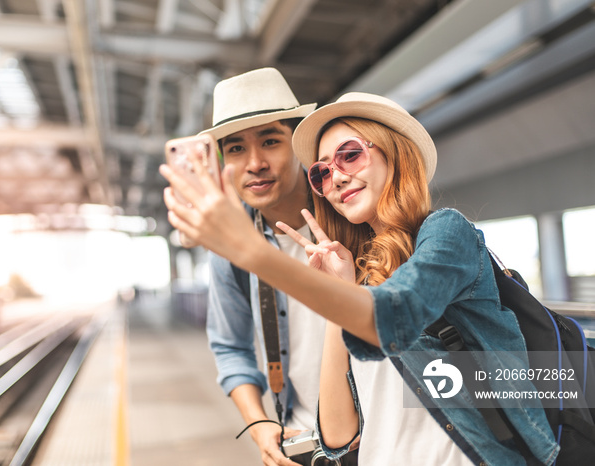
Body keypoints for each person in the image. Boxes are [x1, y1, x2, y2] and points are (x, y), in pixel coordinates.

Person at [160, 92, 559, 465]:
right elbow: (336, 436)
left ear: (395, 155)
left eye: (350, 156)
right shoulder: (360, 271)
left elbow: (394, 316)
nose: (335, 178)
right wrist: (341, 289)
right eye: (322, 171)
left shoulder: (447, 233)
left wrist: (255, 254)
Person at [194, 68, 356, 466]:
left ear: (300, 145)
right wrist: (258, 423)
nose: (254, 163)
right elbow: (230, 346)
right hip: (304, 445)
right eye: (235, 149)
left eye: (270, 141)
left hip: (382, 438)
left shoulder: (355, 217)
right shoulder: (229, 250)